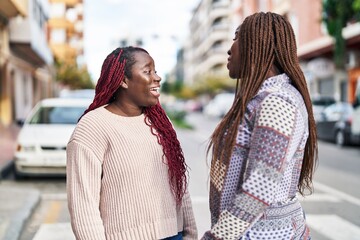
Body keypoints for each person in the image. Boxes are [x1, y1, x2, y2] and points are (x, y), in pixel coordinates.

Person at [202, 12, 318, 240]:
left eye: (236, 38)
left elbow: (260, 187)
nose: (229, 49)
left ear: (256, 44)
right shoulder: (261, 98)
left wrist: (215, 238)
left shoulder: (277, 101)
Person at [66, 46, 197, 240]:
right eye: (147, 71)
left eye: (156, 71)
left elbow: (179, 185)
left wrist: (190, 233)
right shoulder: (92, 127)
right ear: (123, 80)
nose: (157, 78)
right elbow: (83, 206)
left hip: (173, 235)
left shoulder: (161, 122)